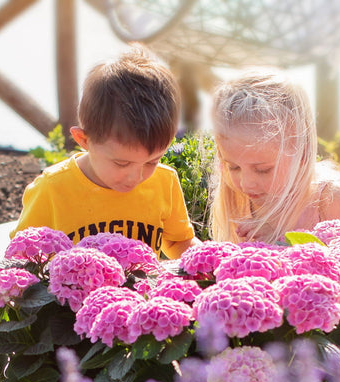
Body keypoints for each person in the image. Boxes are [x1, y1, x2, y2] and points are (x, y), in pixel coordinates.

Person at [11, 46, 200, 259]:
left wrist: (208, 259)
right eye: (121, 163)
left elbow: (177, 241)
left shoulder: (165, 181)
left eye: (152, 161)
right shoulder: (51, 189)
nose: (136, 177)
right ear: (84, 140)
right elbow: (22, 255)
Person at [208, 67, 340, 244]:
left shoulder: (330, 199)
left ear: (302, 153)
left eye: (263, 170)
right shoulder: (240, 199)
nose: (246, 183)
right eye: (233, 167)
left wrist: (280, 242)